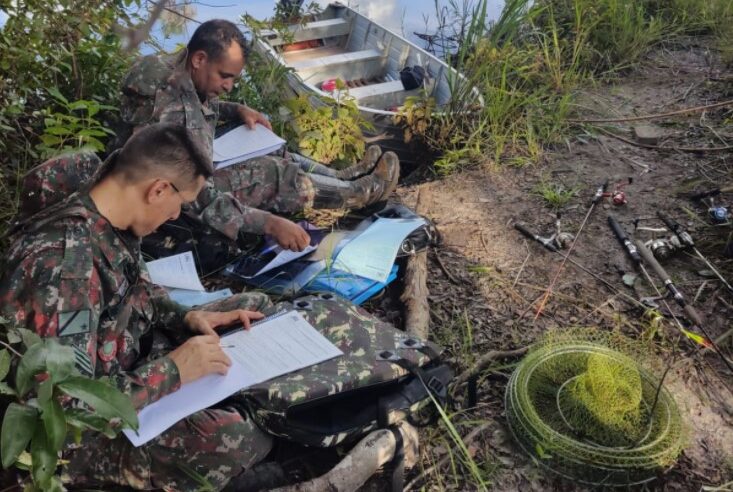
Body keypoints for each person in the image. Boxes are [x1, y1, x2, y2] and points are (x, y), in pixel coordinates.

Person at [0, 123, 275, 490]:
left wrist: (187, 316)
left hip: (122, 351)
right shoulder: (67, 270)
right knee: (234, 438)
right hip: (68, 435)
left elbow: (137, 287)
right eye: (181, 203)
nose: (177, 215)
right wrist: (173, 371)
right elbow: (66, 408)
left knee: (255, 309)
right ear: (158, 189)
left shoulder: (106, 197)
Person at [117, 18, 400, 252]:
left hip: (188, 163)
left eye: (234, 80)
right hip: (167, 203)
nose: (228, 86)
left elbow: (197, 106)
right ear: (200, 59)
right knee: (267, 172)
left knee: (265, 142)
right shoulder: (163, 101)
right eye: (225, 77)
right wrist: (269, 223)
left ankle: (339, 178)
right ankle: (360, 193)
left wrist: (236, 109)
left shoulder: (183, 69)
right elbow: (190, 194)